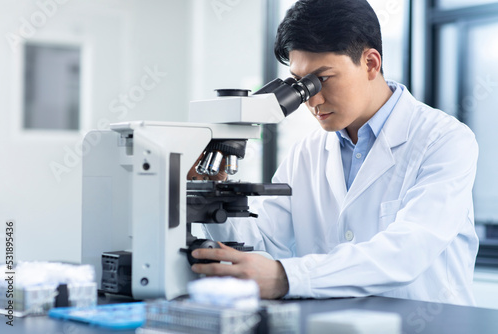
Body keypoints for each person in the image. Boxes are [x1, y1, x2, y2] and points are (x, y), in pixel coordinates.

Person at [189, 0, 479, 306]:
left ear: (370, 63)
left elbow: (406, 252)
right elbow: (263, 245)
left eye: (322, 79)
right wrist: (209, 192)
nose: (312, 99)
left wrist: (286, 278)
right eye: (301, 83)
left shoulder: (444, 140)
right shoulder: (306, 153)